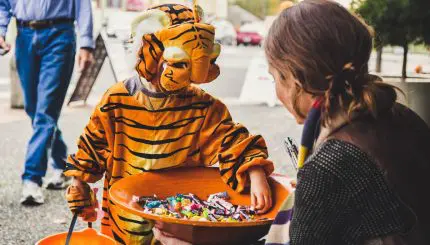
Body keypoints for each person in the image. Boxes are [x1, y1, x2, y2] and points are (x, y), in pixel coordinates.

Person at [156, 1, 430, 244]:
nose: (275, 89)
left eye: (275, 77)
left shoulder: (332, 163)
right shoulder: (400, 116)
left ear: (295, 81)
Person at [64, 4, 274, 245]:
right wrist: (79, 183)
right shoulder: (116, 99)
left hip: (177, 222)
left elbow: (231, 140)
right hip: (123, 219)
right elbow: (92, 145)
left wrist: (255, 172)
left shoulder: (201, 106)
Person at [0, 0, 95, 205]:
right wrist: (1, 28)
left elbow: (82, 5)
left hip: (59, 35)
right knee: (35, 110)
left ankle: (31, 178)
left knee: (44, 112)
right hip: (24, 36)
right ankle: (62, 165)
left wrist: (86, 43)